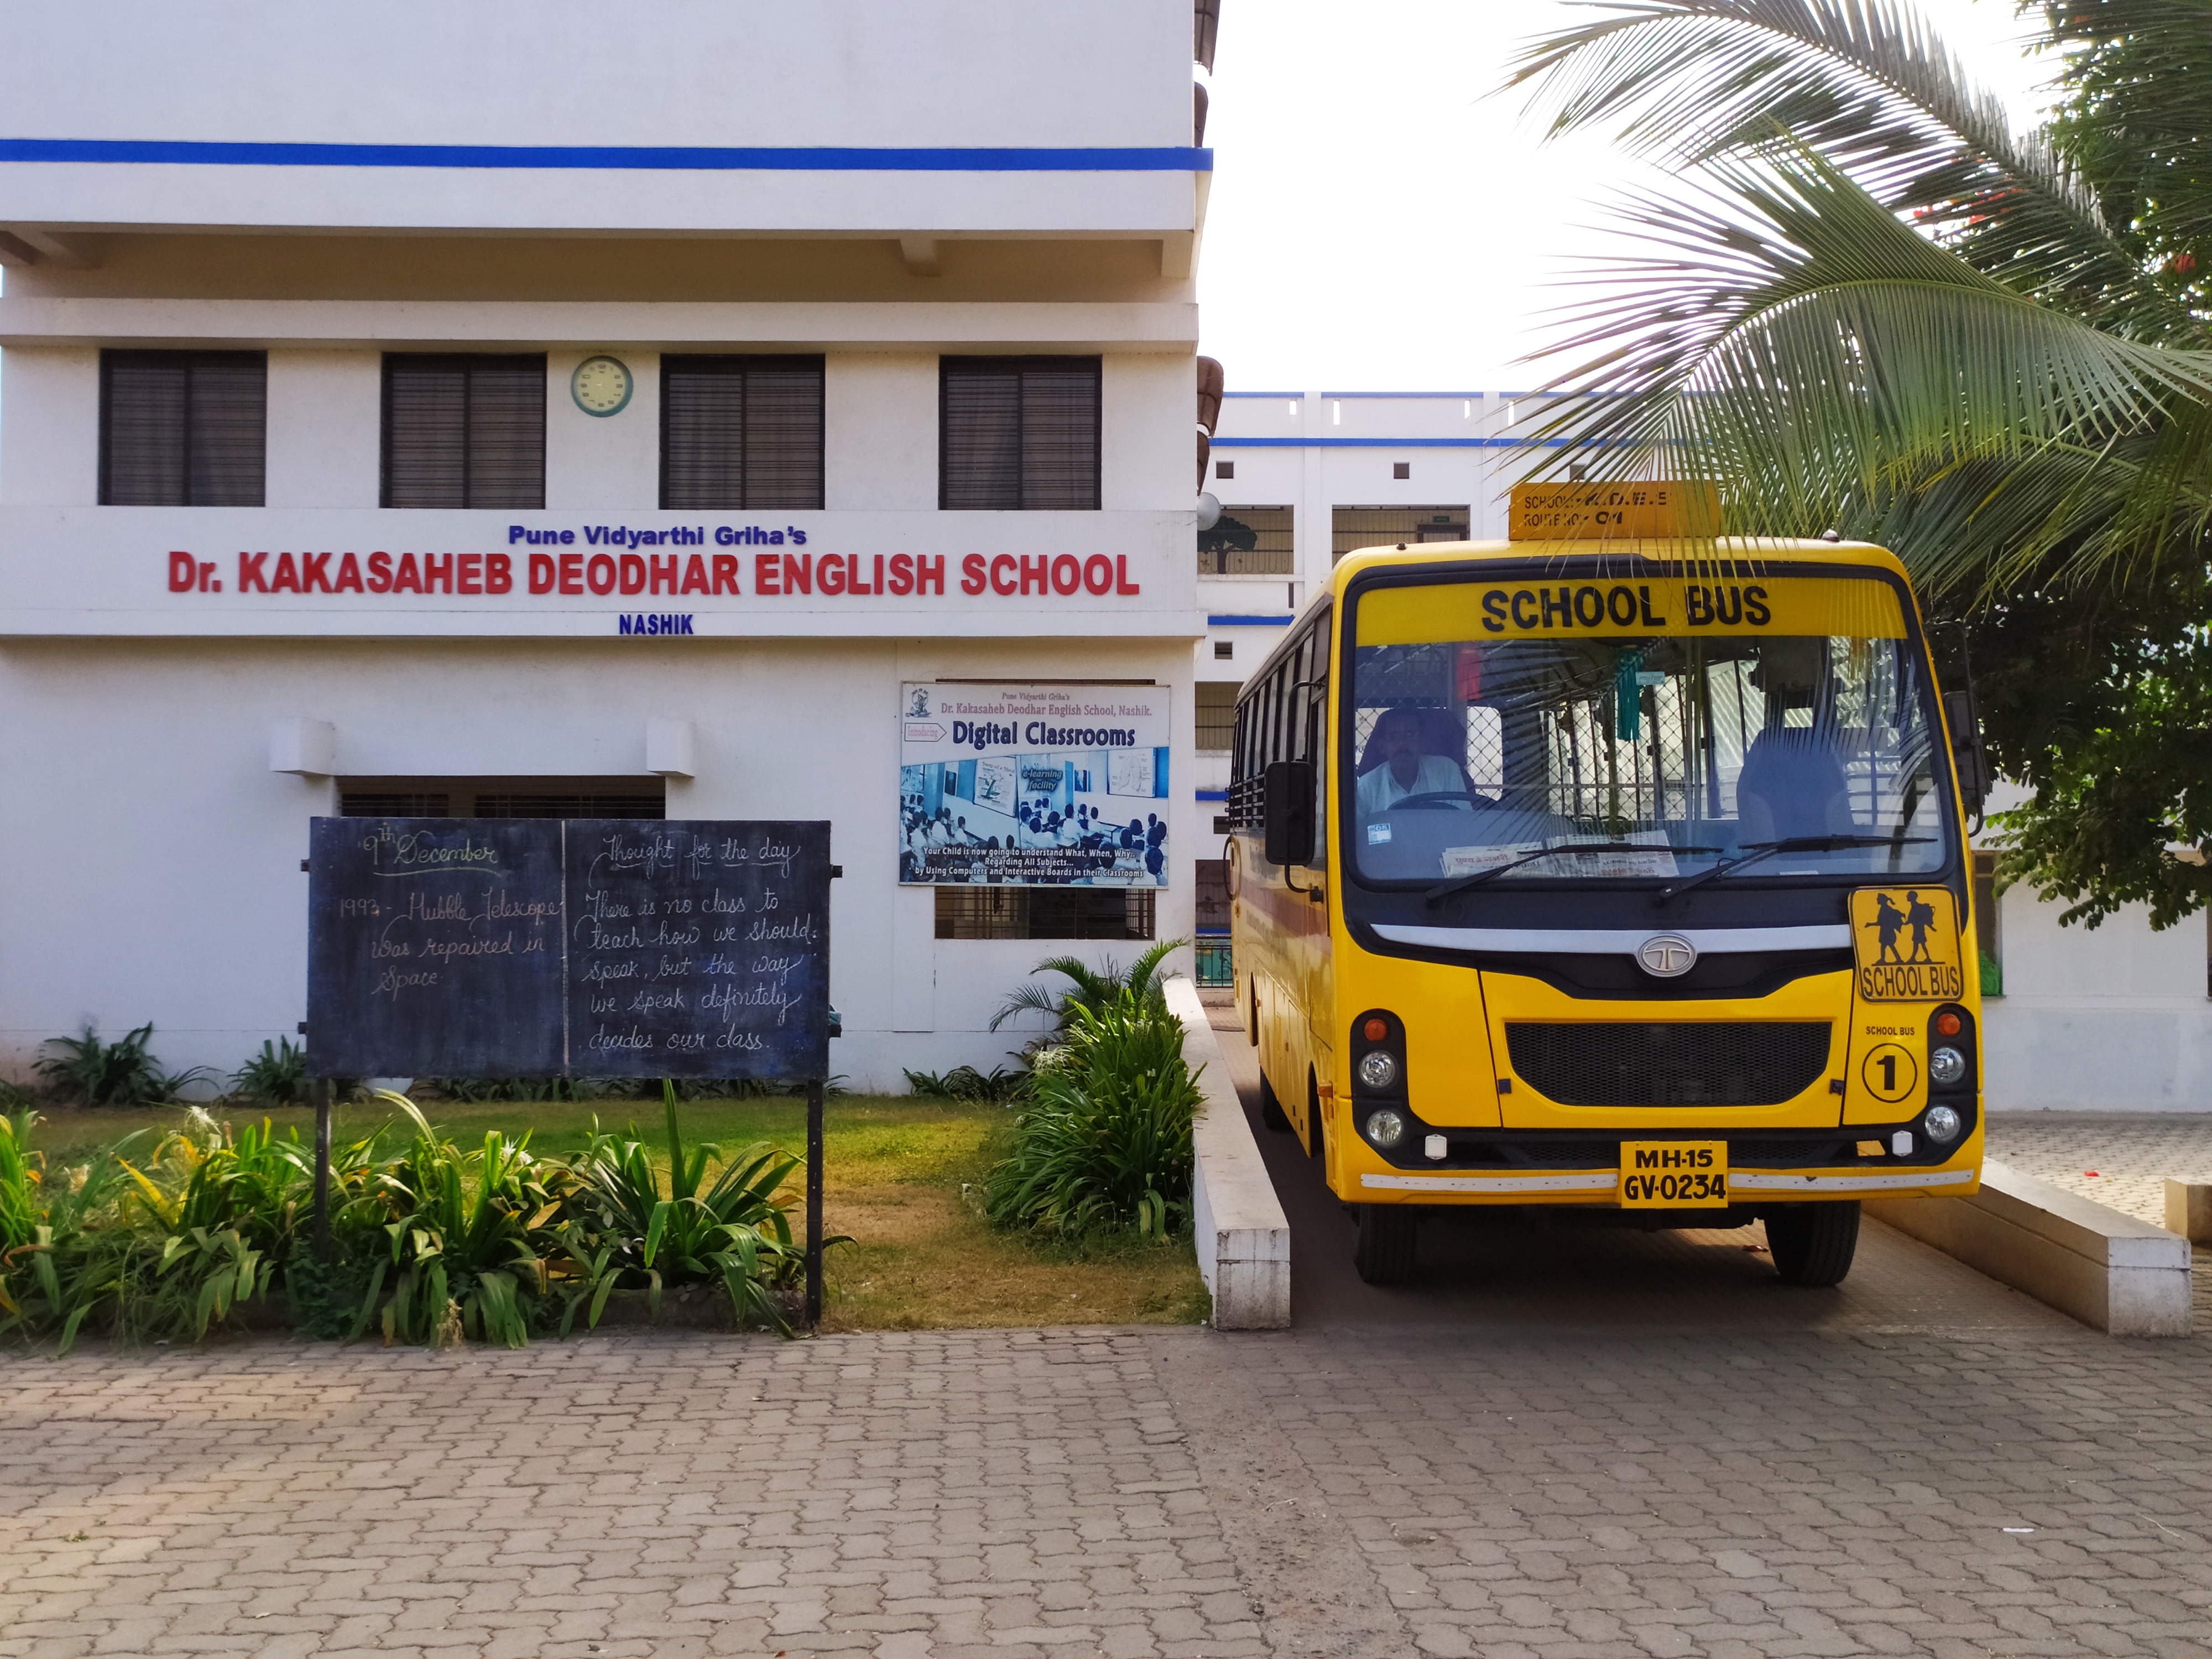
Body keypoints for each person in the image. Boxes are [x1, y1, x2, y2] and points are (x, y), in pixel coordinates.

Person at [1356, 706, 1472, 817]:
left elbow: (1463, 823)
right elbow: (1358, 833)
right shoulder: (1367, 787)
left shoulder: (1447, 771)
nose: (1402, 744)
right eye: (1394, 736)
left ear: (1423, 743)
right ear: (1382, 746)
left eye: (1410, 735)